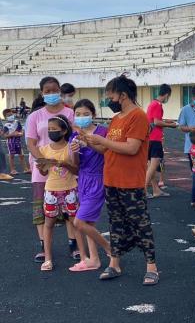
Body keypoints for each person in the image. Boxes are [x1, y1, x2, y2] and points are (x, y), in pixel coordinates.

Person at [84, 75, 159, 285]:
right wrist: (89, 142)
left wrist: (102, 139)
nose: (109, 100)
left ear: (123, 95)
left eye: (111, 95)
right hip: (112, 179)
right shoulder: (117, 119)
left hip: (130, 182)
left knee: (141, 224)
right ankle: (114, 263)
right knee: (115, 223)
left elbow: (131, 148)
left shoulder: (138, 117)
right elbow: (106, 149)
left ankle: (152, 267)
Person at [26, 77, 75, 263]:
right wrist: (43, 161)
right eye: (47, 91)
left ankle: (73, 244)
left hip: (65, 168)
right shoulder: (35, 116)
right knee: (42, 209)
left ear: (60, 90)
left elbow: (75, 137)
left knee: (70, 207)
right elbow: (31, 142)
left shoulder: (70, 114)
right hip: (42, 169)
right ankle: (43, 246)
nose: (51, 93)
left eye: (54, 90)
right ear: (41, 93)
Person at [69, 99, 111, 272]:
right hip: (83, 179)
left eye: (86, 114)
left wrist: (89, 143)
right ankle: (94, 260)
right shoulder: (75, 135)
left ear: (93, 114)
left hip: (98, 178)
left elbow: (107, 152)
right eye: (78, 114)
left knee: (79, 222)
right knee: (89, 222)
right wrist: (74, 151)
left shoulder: (102, 131)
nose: (82, 117)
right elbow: (75, 163)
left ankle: (109, 248)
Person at [36, 115, 82, 271]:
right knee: (49, 224)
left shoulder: (71, 147)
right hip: (51, 190)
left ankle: (81, 253)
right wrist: (40, 168)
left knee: (76, 222)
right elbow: (43, 173)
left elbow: (76, 169)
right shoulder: (44, 149)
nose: (51, 132)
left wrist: (65, 164)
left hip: (70, 188)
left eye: (54, 129)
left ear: (63, 131)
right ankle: (48, 258)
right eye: (49, 129)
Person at [145, 84, 176, 198]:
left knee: (150, 167)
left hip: (149, 138)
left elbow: (155, 120)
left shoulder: (152, 104)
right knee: (153, 166)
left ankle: (155, 190)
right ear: (167, 95)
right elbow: (157, 122)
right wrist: (171, 125)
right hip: (155, 138)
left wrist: (167, 122)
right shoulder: (157, 105)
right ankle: (143, 189)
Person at [2, 108, 29, 175]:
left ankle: (25, 169)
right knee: (12, 156)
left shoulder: (17, 122)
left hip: (18, 141)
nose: (11, 116)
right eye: (8, 115)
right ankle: (12, 170)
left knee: (22, 155)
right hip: (11, 142)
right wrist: (12, 134)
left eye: (11, 114)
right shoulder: (6, 125)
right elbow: (5, 135)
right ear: (5, 117)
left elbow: (21, 130)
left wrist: (21, 133)